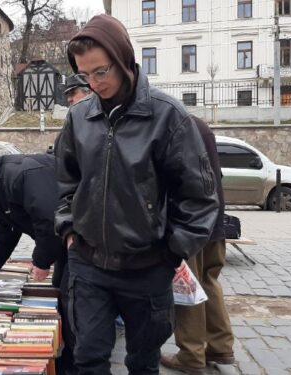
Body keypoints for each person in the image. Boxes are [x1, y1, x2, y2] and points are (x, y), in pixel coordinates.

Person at [55, 15, 219, 374]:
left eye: (101, 71)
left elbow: (199, 197)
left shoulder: (168, 116)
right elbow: (65, 181)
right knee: (88, 358)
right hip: (88, 263)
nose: (95, 83)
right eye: (86, 75)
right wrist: (68, 230)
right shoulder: (79, 117)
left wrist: (171, 251)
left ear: (124, 58)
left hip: (148, 267)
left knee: (143, 362)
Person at [0, 151, 75, 375]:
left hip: (77, 237)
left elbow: (48, 221)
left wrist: (41, 262)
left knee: (73, 297)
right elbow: (6, 232)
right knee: (62, 290)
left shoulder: (18, 176)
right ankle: (68, 358)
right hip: (64, 241)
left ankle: (78, 364)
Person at [160, 116, 234, 373]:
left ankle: (191, 355)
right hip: (214, 219)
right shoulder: (200, 125)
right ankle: (220, 346)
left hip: (190, 223)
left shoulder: (173, 126)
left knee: (187, 288)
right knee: (210, 281)